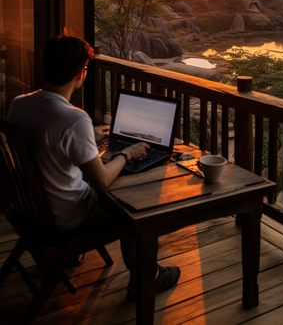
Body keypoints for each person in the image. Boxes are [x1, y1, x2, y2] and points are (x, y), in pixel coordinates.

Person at [7, 30, 180, 300]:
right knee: (137, 205)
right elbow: (100, 181)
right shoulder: (73, 119)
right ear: (80, 73)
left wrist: (92, 138)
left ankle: (74, 257)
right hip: (65, 218)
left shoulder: (20, 104)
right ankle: (145, 280)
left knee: (110, 170)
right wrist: (127, 154)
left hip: (31, 210)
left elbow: (48, 143)